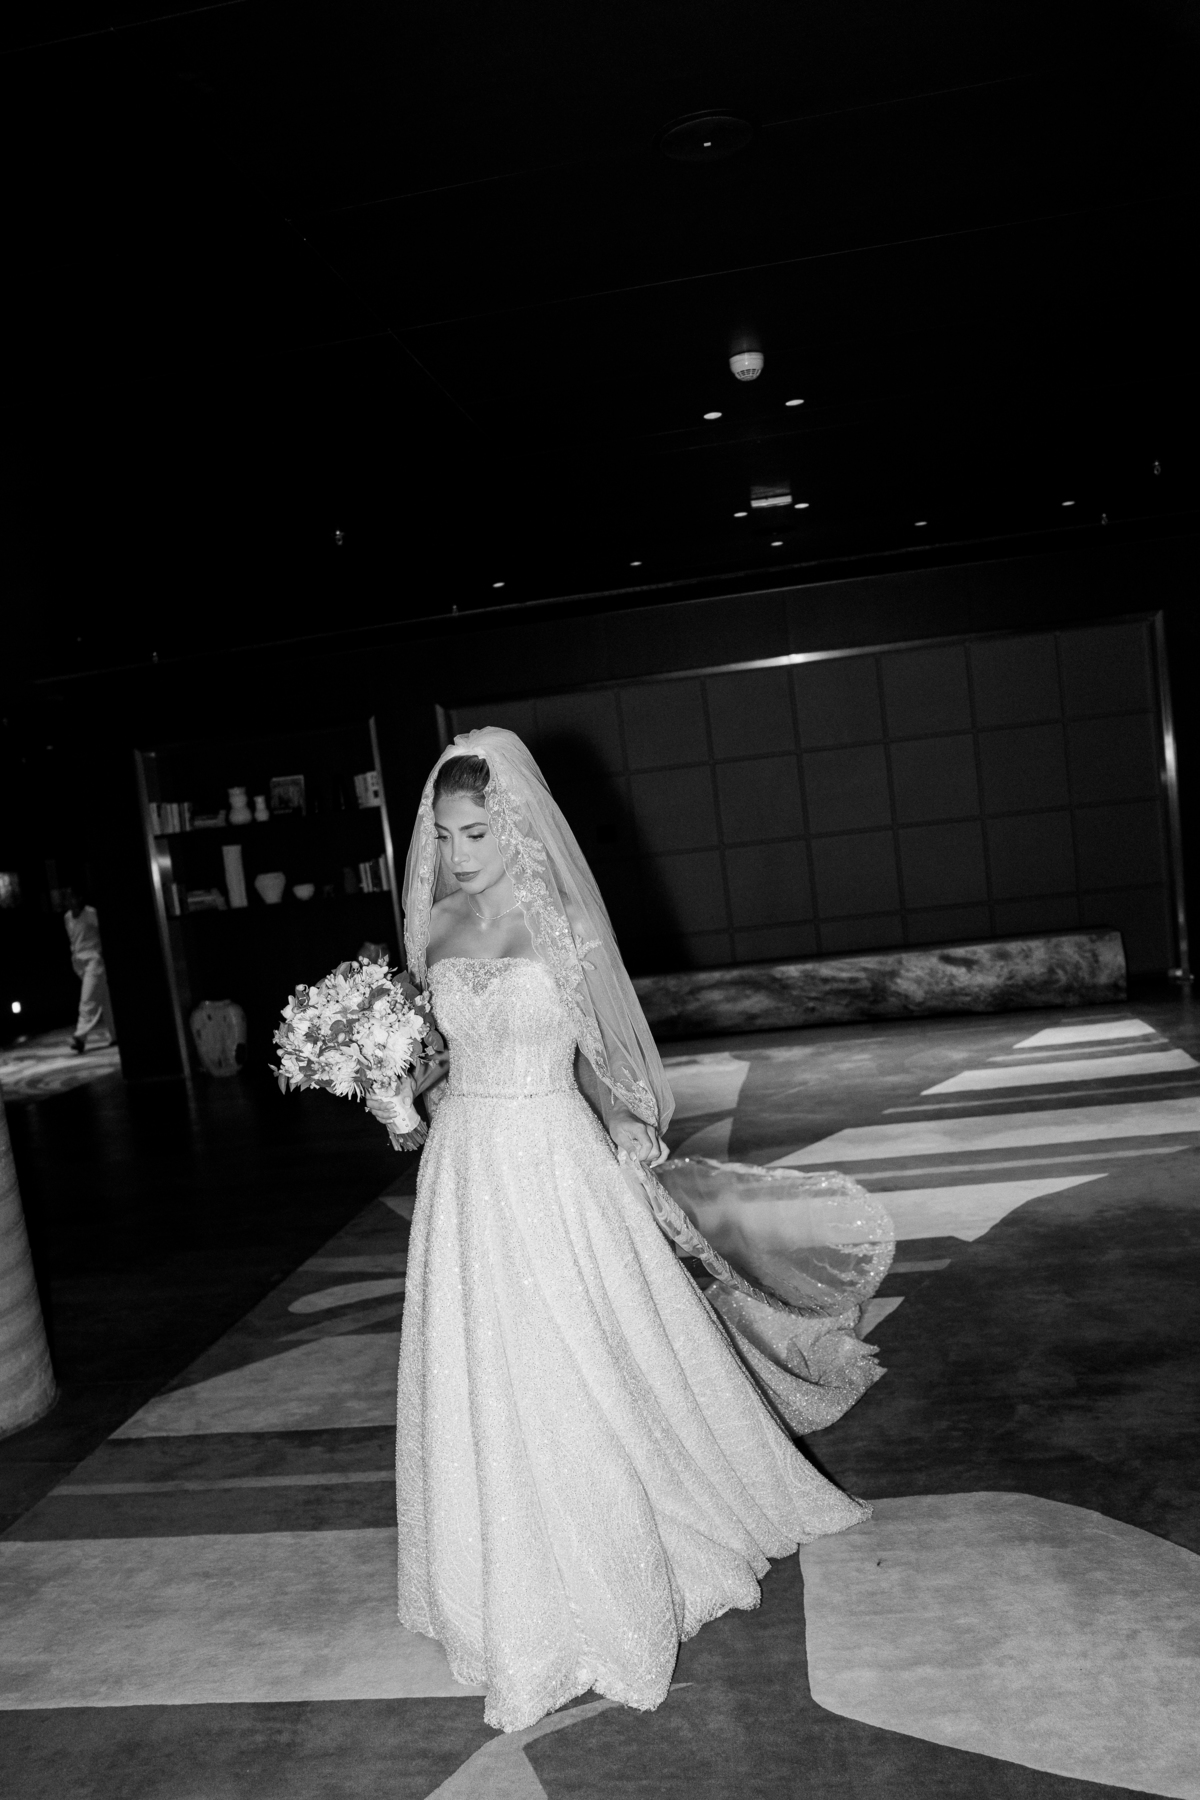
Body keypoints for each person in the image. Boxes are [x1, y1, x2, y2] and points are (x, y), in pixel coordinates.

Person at [366, 729, 871, 1734]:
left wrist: (629, 1131)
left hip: (552, 1156)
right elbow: (434, 1057)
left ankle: (617, 1550)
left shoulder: (562, 924)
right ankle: (494, 1563)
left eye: (476, 833)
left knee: (579, 1351)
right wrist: (397, 1094)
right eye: (445, 835)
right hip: (464, 1165)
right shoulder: (434, 926)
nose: (459, 854)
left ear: (515, 824)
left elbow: (601, 1059)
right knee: (484, 1360)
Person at [63, 888, 116, 1054]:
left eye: (72, 897)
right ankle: (116, 1034)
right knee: (106, 1000)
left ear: (79, 898)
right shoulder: (67, 917)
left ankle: (80, 1037)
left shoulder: (91, 914)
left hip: (95, 961)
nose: (69, 901)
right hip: (81, 963)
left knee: (87, 1000)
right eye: (67, 898)